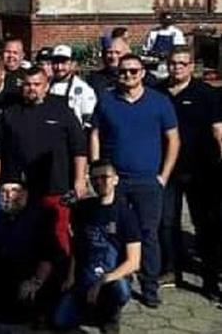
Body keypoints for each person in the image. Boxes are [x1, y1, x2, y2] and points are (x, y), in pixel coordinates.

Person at [90, 52, 179, 308]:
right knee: (112, 233)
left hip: (147, 181)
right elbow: (95, 134)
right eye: (123, 71)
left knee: (148, 234)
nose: (128, 75)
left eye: (133, 71)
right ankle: (116, 283)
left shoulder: (159, 102)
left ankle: (150, 288)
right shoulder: (107, 101)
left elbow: (173, 139)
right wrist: (98, 171)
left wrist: (163, 176)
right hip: (114, 181)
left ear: (142, 73)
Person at [0, 64, 87, 258]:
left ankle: (62, 278)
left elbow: (79, 148)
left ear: (46, 86)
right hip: (19, 189)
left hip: (55, 186)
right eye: (27, 85)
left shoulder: (62, 109)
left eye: (36, 84)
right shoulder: (10, 112)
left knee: (58, 235)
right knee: (21, 236)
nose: (32, 88)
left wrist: (80, 179)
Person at [157, 45, 222, 296]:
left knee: (205, 224)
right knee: (167, 222)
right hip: (168, 168)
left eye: (183, 63)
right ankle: (172, 268)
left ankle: (209, 276)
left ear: (191, 66)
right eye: (173, 63)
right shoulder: (159, 92)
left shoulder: (206, 94)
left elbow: (218, 131)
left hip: (202, 170)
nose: (177, 68)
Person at [53, 159, 141, 333]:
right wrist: (70, 276)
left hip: (112, 277)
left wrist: (103, 281)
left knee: (120, 290)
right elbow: (76, 247)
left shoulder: (126, 214)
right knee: (60, 321)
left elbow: (134, 262)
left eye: (104, 177)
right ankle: (89, 307)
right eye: (94, 178)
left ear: (115, 179)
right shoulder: (83, 209)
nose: (99, 182)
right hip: (85, 274)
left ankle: (111, 316)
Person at [0, 176, 61, 324]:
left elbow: (48, 256)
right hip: (7, 278)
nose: (8, 195)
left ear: (24, 194)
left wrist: (36, 282)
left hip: (34, 279)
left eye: (14, 191)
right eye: (4, 191)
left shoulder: (40, 217)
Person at [49, 45, 97, 128]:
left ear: (72, 64)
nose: (59, 67)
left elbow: (88, 119)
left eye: (63, 63)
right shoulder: (46, 86)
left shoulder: (83, 89)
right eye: (56, 62)